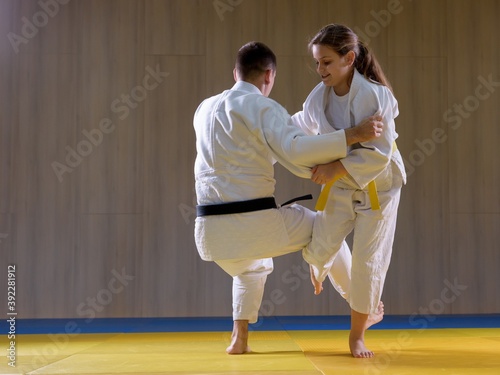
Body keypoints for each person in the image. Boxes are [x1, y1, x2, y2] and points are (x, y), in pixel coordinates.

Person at [193, 41, 383, 354]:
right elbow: (294, 152)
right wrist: (353, 135)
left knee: (250, 268)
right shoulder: (262, 107)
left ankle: (238, 339)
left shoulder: (205, 108)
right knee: (326, 228)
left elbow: (248, 154)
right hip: (251, 222)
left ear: (235, 73)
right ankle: (363, 303)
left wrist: (294, 127)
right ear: (269, 76)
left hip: (209, 234)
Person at [291, 24, 407, 358]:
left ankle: (357, 334)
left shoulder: (374, 95)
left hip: (380, 189)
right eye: (317, 63)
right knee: (318, 247)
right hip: (342, 185)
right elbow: (300, 126)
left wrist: (333, 168)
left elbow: (380, 153)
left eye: (326, 62)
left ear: (349, 59)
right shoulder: (319, 96)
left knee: (369, 263)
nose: (320, 70)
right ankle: (326, 272)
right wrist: (270, 131)